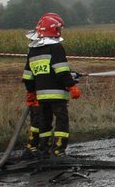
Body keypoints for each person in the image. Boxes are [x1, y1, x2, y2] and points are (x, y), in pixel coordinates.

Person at [21, 13, 81, 157]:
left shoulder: (33, 50)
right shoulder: (55, 48)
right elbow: (61, 71)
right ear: (55, 30)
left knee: (44, 122)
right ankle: (58, 150)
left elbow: (28, 76)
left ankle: (45, 149)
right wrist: (72, 86)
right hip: (57, 95)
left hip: (41, 96)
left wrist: (31, 93)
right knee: (61, 121)